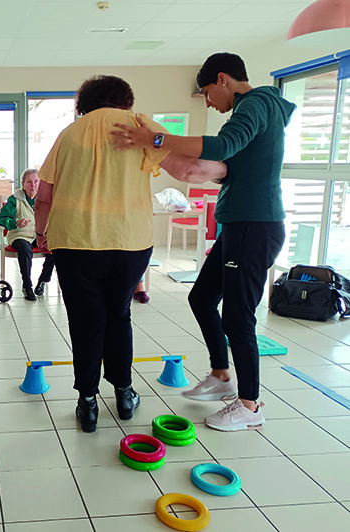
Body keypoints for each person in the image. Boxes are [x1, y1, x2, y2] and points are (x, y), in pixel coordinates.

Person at [111, 53, 294, 432]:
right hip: (239, 225)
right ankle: (222, 375)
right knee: (202, 298)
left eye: (208, 93)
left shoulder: (256, 103)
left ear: (222, 79)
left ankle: (250, 405)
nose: (208, 102)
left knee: (238, 318)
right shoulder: (256, 108)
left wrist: (154, 138)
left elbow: (222, 146)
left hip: (254, 227)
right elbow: (229, 163)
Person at [36, 75, 226, 432]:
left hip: (74, 242)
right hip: (130, 242)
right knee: (119, 315)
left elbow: (44, 196)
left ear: (85, 103)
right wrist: (230, 169)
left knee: (85, 321)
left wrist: (41, 233)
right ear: (125, 99)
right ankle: (124, 393)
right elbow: (188, 169)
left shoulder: (69, 134)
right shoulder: (141, 126)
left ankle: (87, 401)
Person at [0, 169, 56, 301]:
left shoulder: (46, 200)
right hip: (19, 235)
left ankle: (42, 281)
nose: (33, 185)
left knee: (55, 248)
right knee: (25, 248)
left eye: (36, 181)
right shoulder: (15, 200)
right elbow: (0, 220)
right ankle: (27, 286)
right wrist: (15, 222)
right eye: (29, 182)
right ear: (23, 184)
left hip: (39, 235)